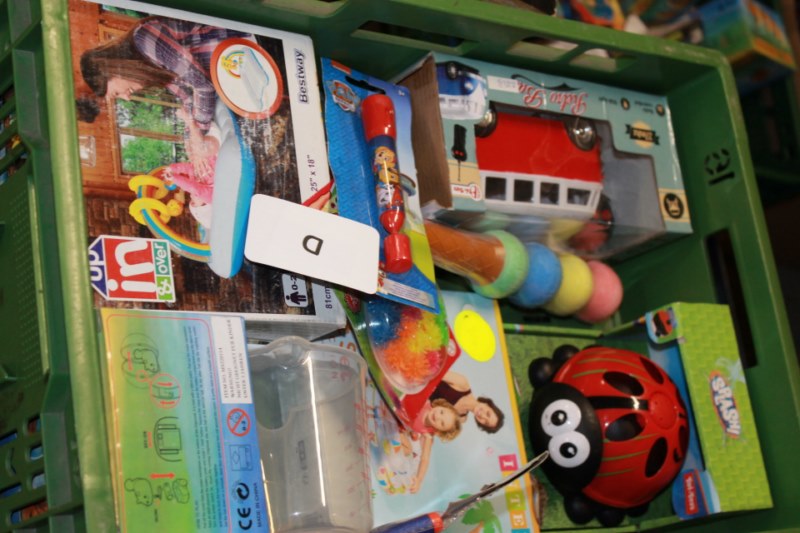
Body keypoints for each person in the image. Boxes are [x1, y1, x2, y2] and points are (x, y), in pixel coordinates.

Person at [79, 16, 248, 171]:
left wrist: (197, 131)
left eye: (116, 93)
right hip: (235, 73)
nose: (127, 97)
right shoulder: (150, 67)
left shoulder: (145, 40)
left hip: (243, 49)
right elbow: (187, 97)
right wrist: (190, 142)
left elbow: (202, 85)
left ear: (112, 69)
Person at [408, 399, 462, 494]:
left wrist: (419, 480)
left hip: (399, 425)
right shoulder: (425, 402)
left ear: (439, 431)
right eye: (441, 412)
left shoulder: (427, 435)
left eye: (442, 423)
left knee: (409, 448)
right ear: (441, 406)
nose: (437, 417)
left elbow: (425, 459)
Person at [429, 371, 505, 434]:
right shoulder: (462, 384)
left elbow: (432, 421)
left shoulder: (461, 419)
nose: (483, 416)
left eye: (485, 422)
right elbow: (434, 371)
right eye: (488, 414)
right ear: (488, 404)